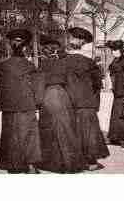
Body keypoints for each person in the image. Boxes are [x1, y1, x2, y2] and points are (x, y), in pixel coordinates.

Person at [0, 29, 42, 174]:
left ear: (10, 46)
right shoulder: (30, 66)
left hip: (9, 105)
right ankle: (31, 164)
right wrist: (38, 104)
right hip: (27, 105)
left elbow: (0, 86)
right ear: (25, 47)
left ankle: (13, 164)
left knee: (10, 133)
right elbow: (36, 87)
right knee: (29, 133)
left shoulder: (3, 66)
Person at [37, 34, 85, 173]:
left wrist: (38, 102)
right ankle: (70, 161)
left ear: (45, 50)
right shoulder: (65, 62)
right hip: (63, 96)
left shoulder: (44, 64)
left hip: (49, 96)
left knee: (50, 128)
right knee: (66, 128)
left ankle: (53, 162)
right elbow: (71, 82)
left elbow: (40, 83)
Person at [64, 27, 109, 171]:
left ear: (79, 41)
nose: (69, 40)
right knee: (89, 133)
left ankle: (73, 161)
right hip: (86, 103)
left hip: (69, 102)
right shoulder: (90, 63)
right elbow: (98, 84)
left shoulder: (63, 61)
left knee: (72, 131)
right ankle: (91, 162)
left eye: (71, 38)